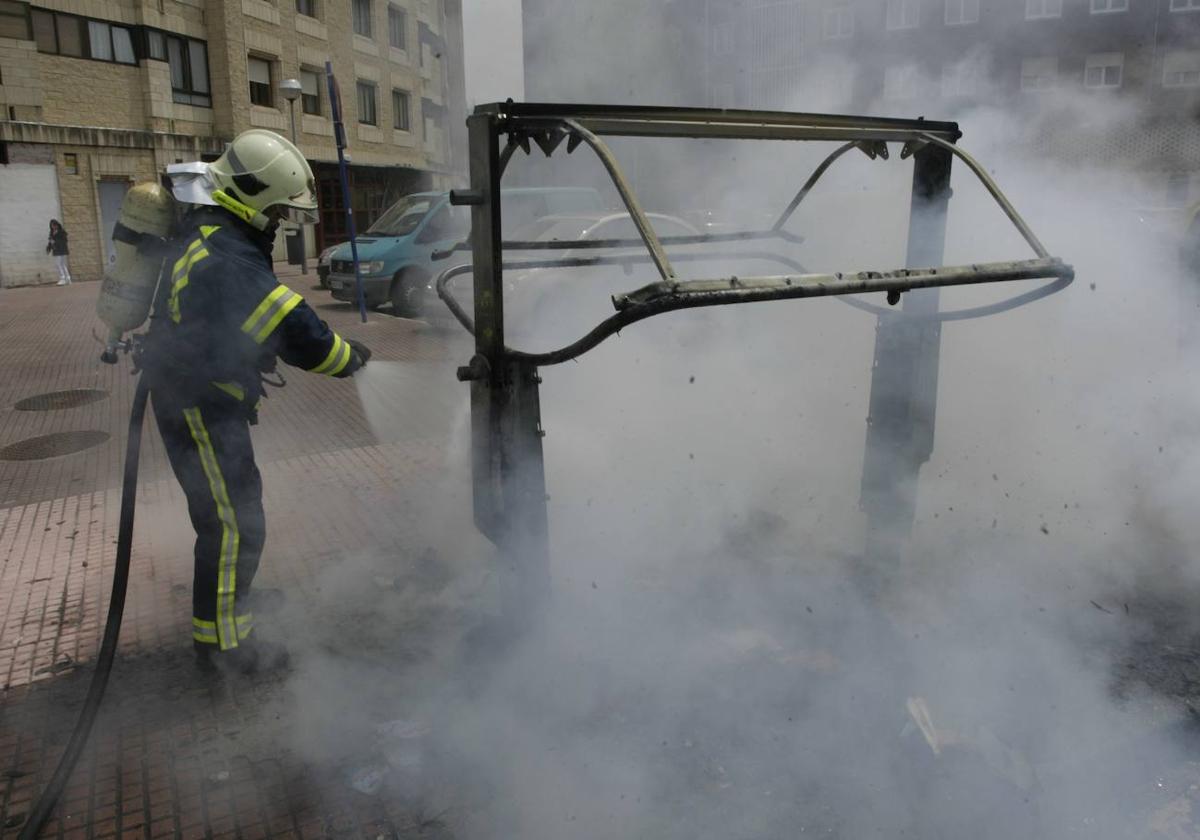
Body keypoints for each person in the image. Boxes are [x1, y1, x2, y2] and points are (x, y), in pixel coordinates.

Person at [145, 129, 372, 675]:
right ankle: (223, 647)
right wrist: (351, 358)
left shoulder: (213, 227)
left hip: (200, 395)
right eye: (275, 209)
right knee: (232, 524)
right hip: (196, 402)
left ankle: (231, 612)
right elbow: (299, 333)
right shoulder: (226, 256)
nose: (277, 221)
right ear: (250, 196)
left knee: (235, 514)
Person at [46, 219, 71, 285]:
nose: (53, 227)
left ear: (57, 225)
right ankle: (67, 277)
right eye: (52, 226)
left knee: (58, 264)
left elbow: (65, 240)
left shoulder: (61, 232)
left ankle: (62, 278)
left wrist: (55, 242)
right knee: (62, 264)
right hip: (56, 250)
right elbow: (50, 241)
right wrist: (49, 247)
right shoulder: (52, 232)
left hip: (61, 249)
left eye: (54, 225)